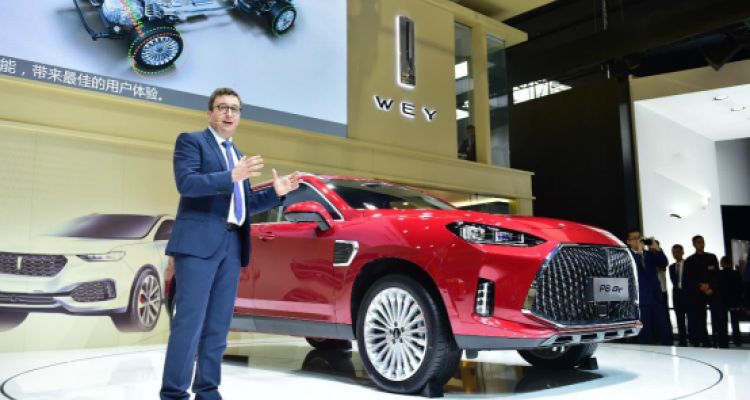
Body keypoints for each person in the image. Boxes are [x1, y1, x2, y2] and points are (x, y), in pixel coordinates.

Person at [160, 88, 301, 400]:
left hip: (232, 245)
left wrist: (276, 192)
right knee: (189, 322)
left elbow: (244, 204)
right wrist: (230, 176)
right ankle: (174, 393)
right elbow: (187, 183)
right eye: (222, 107)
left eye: (234, 109)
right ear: (210, 113)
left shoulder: (238, 156)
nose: (228, 113)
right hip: (197, 245)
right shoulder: (192, 141)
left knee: (218, 323)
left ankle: (208, 389)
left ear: (239, 116)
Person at [626, 230, 672, 345]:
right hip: (641, 299)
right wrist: (639, 252)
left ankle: (668, 349)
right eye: (635, 238)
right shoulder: (627, 255)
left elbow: (663, 262)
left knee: (664, 329)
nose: (638, 240)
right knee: (644, 332)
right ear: (628, 241)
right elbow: (633, 267)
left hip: (655, 297)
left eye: (639, 237)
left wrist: (657, 249)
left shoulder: (649, 254)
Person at [684, 235, 720, 347]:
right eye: (698, 242)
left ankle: (719, 340)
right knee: (700, 318)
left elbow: (717, 274)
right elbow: (690, 278)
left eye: (702, 242)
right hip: (698, 293)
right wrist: (701, 287)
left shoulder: (712, 257)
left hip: (712, 291)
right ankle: (704, 341)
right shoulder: (690, 260)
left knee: (717, 317)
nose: (701, 244)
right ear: (694, 244)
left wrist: (710, 286)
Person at [707, 256, 744, 348]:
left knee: (723, 322)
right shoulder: (736, 273)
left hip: (722, 301)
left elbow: (716, 287)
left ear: (722, 263)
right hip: (734, 301)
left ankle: (724, 341)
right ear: (730, 263)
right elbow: (740, 287)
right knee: (735, 321)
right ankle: (737, 340)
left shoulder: (719, 274)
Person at [668, 244, 699, 347]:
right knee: (680, 319)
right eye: (674, 252)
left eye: (677, 252)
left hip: (689, 295)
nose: (675, 254)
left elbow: (693, 280)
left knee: (691, 319)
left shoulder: (689, 265)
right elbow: (674, 282)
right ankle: (682, 340)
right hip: (677, 296)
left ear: (682, 252)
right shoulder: (671, 267)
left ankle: (694, 339)